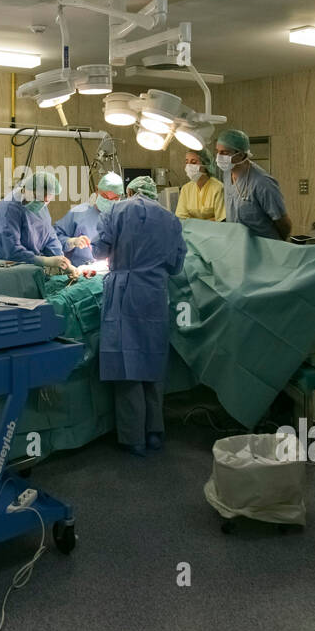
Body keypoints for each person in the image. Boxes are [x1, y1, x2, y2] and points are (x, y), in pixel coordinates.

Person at [93, 174, 186, 457]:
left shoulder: (115, 211)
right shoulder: (170, 219)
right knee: (152, 360)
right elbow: (176, 265)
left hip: (124, 293)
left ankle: (134, 437)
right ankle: (155, 431)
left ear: (129, 191)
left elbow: (100, 251)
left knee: (127, 363)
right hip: (154, 294)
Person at [0, 169, 72, 270]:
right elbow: (10, 251)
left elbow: (49, 235)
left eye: (47, 199)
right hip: (9, 270)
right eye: (40, 198)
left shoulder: (40, 206)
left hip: (33, 269)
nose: (43, 202)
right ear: (28, 190)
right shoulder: (9, 209)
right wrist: (43, 261)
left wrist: (62, 261)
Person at [216, 129, 292, 240]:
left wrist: (278, 246)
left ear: (241, 154)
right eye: (217, 151)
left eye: (224, 153)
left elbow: (284, 224)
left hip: (264, 247)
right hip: (240, 244)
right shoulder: (228, 174)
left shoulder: (262, 182)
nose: (219, 156)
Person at [54, 171, 124, 266]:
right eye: (105, 196)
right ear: (97, 190)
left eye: (115, 198)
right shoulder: (78, 213)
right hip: (82, 274)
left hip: (113, 273)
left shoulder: (124, 217)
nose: (109, 201)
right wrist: (72, 242)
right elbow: (55, 239)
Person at [175, 148, 225, 222]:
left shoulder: (218, 188)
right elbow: (181, 219)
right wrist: (210, 219)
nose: (189, 166)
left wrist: (192, 220)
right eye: (187, 162)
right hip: (190, 232)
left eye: (193, 162)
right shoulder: (186, 189)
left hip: (212, 232)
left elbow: (220, 220)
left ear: (206, 164)